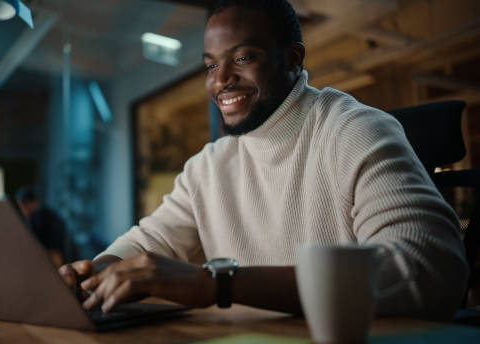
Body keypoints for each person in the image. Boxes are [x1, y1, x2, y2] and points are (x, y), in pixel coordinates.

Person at [59, 0, 468, 319]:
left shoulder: (355, 130)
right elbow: (150, 243)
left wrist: (218, 284)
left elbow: (428, 271)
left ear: (292, 59)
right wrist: (92, 274)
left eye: (242, 58)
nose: (220, 81)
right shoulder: (207, 166)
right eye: (211, 65)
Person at [16, 186, 76, 266]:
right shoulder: (47, 213)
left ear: (29, 203)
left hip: (51, 259)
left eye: (22, 206)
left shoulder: (38, 217)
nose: (22, 210)